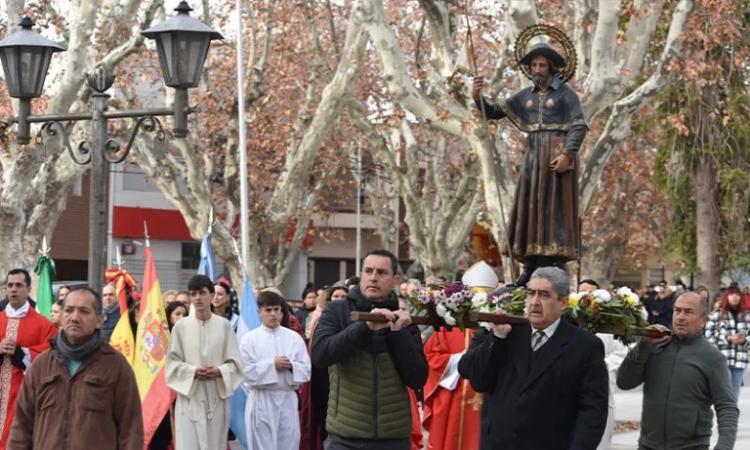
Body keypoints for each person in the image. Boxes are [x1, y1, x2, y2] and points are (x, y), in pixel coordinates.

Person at [473, 40, 588, 286]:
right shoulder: (526, 95)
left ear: (551, 67)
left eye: (542, 65)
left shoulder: (566, 94)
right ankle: (529, 266)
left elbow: (579, 124)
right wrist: (477, 95)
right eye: (534, 65)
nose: (537, 69)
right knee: (530, 208)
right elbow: (493, 111)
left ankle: (553, 265)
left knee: (553, 210)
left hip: (556, 156)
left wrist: (568, 154)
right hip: (533, 157)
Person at [458, 267, 608, 450]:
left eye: (544, 295)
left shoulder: (585, 346)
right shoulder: (505, 330)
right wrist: (497, 338)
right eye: (531, 293)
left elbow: (593, 410)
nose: (535, 302)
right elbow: (474, 376)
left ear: (563, 303)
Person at [312, 249, 428, 450]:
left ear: (395, 280)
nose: (373, 277)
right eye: (368, 271)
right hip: (345, 437)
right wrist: (363, 326)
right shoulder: (337, 311)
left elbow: (417, 378)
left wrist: (398, 334)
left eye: (381, 272)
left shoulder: (402, 318)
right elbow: (320, 355)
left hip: (393, 437)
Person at [8, 287, 143, 449]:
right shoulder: (41, 365)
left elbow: (131, 430)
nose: (74, 317)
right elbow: (21, 426)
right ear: (61, 316)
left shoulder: (116, 366)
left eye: (84, 311)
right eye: (68, 310)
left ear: (99, 320)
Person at [617, 292, 738, 450]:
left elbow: (727, 406)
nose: (680, 317)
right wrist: (643, 345)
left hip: (692, 446)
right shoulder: (655, 346)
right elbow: (624, 382)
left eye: (688, 312)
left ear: (703, 320)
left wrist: (724, 446)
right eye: (677, 310)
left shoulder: (713, 358)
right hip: (648, 445)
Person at [165, 275, 244, 450]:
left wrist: (219, 371)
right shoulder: (181, 327)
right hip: (190, 399)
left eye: (202, 293)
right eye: (193, 294)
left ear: (211, 295)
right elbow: (171, 365)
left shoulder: (224, 326)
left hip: (216, 400)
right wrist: (193, 371)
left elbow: (236, 365)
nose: (197, 298)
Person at [240, 290, 311, 450]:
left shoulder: (293, 338)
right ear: (259, 312)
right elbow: (245, 372)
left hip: (287, 399)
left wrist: (292, 367)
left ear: (281, 311)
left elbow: (306, 369)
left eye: (276, 309)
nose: (273, 314)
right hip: (262, 400)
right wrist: (272, 366)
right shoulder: (249, 340)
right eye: (268, 310)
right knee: (262, 444)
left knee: (288, 443)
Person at [0, 269, 58, 448]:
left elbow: (53, 356)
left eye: (19, 285)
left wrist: (21, 354)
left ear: (28, 289)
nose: (13, 289)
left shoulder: (43, 324)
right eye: (10, 285)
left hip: (23, 393)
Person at [705, 285, 748, 399]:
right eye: (731, 294)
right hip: (723, 360)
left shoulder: (746, 316)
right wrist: (729, 339)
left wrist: (744, 340)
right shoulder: (717, 314)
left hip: (740, 360)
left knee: (734, 395)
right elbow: (709, 336)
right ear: (726, 296)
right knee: (725, 393)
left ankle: (731, 410)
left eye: (737, 294)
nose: (735, 297)